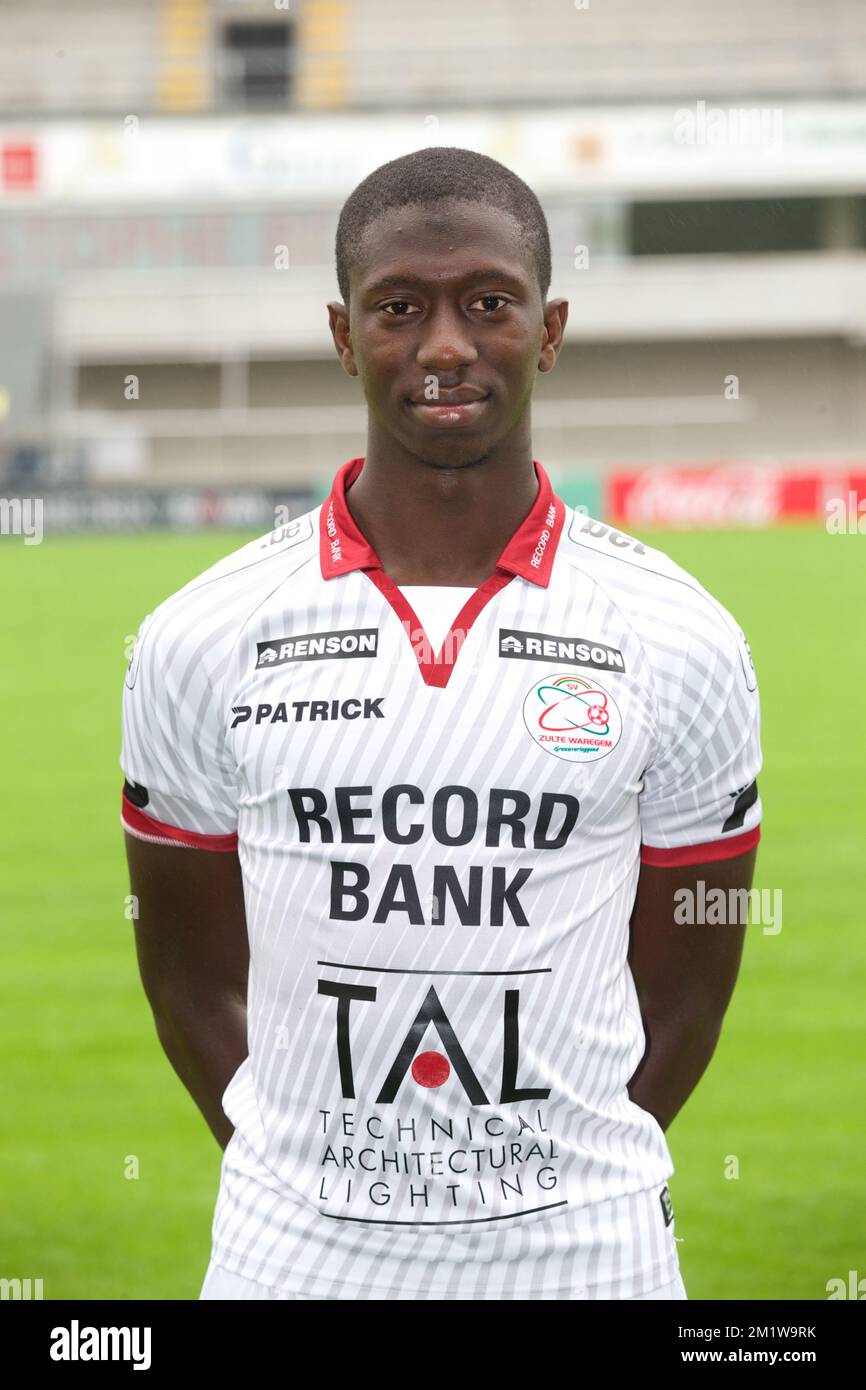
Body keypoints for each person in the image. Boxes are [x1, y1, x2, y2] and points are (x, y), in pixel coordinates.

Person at [120, 147, 762, 1300]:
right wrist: (325, 1179)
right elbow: (187, 976)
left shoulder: (682, 635)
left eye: (488, 302)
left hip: (587, 1260)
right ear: (341, 332)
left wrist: (530, 1189)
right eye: (400, 308)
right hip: (292, 1259)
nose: (447, 345)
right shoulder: (197, 634)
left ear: (549, 327)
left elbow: (685, 989)